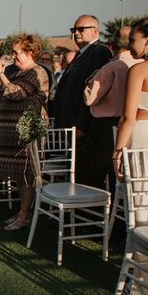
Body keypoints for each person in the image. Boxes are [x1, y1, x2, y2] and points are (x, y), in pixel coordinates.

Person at [0, 34, 49, 231]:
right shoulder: (16, 73)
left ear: (30, 52)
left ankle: (24, 216)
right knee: (18, 175)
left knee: (26, 174)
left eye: (17, 52)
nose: (13, 56)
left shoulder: (37, 72)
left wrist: (1, 74)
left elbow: (17, 93)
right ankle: (22, 211)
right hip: (12, 131)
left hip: (26, 132)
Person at [113, 16, 148, 295]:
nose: (129, 45)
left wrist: (117, 151)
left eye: (133, 39)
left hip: (143, 138)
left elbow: (127, 118)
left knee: (141, 207)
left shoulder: (140, 70)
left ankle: (141, 285)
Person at [53, 15, 112, 184]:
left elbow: (93, 91)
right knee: (75, 169)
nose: (76, 33)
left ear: (95, 31)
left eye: (81, 29)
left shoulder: (99, 52)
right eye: (74, 30)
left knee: (84, 171)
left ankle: (83, 209)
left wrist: (81, 123)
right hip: (69, 123)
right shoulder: (80, 54)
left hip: (82, 126)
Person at [83, 27, 141, 194]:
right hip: (135, 124)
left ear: (112, 46)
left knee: (100, 169)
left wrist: (90, 80)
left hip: (106, 126)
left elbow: (90, 99)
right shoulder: (141, 65)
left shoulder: (111, 67)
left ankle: (101, 210)